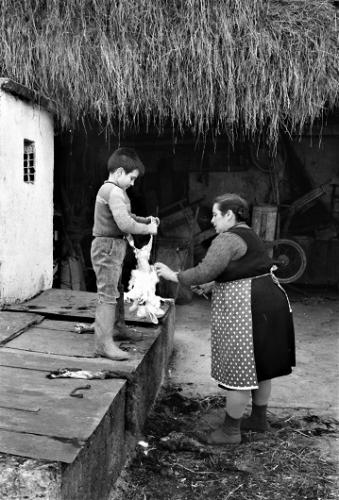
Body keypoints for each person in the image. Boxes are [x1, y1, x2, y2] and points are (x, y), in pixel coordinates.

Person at [155, 193, 295, 444]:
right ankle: (259, 419)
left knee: (239, 371)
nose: (212, 221)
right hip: (270, 302)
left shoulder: (227, 238)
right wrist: (211, 285)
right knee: (262, 367)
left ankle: (231, 431)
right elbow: (241, 269)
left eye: (216, 215)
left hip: (248, 307)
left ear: (229, 215)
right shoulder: (248, 234)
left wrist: (173, 275)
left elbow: (205, 270)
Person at [91, 147, 158, 361]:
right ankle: (103, 344)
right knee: (108, 295)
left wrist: (145, 220)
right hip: (107, 247)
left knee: (115, 289)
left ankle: (118, 328)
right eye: (132, 178)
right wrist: (148, 229)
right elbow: (124, 223)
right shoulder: (114, 192)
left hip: (113, 247)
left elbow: (128, 217)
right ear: (119, 172)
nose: (133, 183)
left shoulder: (114, 191)